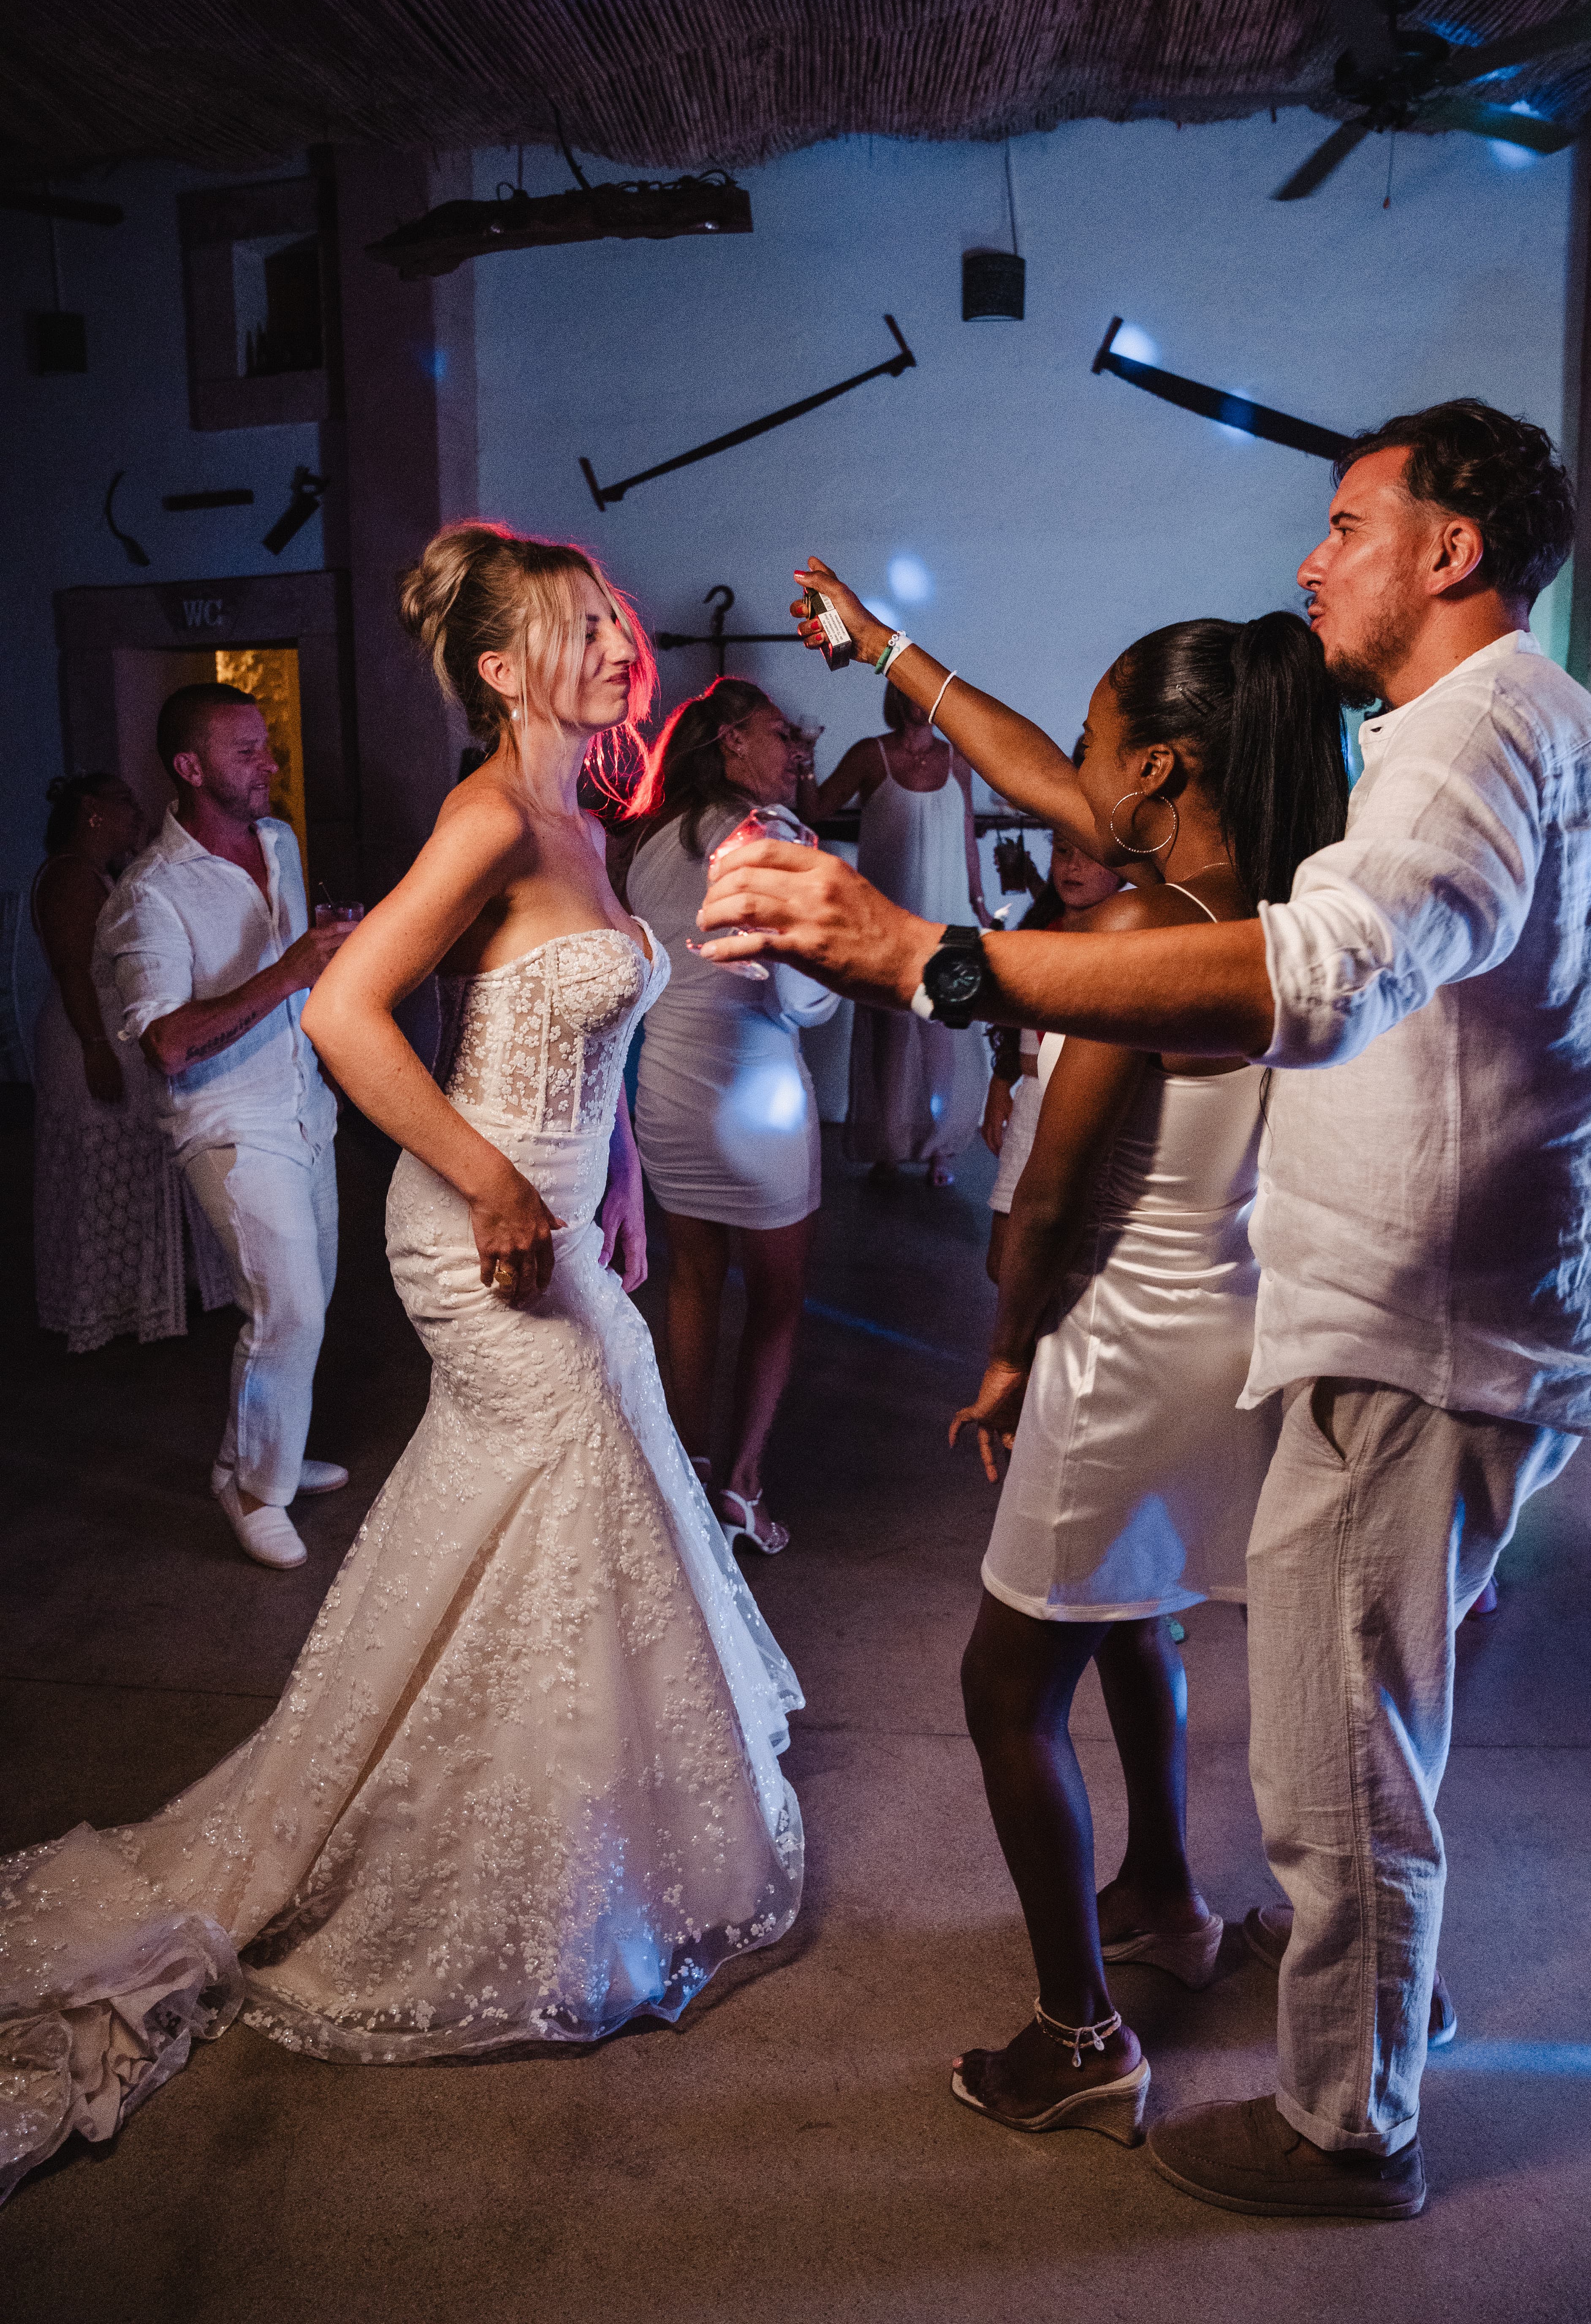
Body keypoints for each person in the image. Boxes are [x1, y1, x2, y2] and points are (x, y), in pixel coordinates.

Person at [699, 402, 1591, 2220]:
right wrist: (885, 651)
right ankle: (1353, 1989)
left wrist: (931, 957)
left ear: (1448, 550)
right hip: (1385, 1321)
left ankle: (1345, 2127)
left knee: (1335, 1758)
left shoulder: (1473, 736)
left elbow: (1327, 972)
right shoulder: (1455, 741)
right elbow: (1081, 794)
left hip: (1417, 1330)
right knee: (1340, 1729)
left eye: (1347, 524)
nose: (1310, 558)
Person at [0, 523, 803, 2204]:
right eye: (583, 630)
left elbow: (589, 1032)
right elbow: (350, 1010)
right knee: (572, 1480)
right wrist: (502, 1184)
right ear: (504, 670)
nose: (620, 648)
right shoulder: (492, 814)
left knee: (560, 1516)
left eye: (616, 625)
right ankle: (480, 1858)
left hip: (561, 1220)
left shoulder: (588, 816)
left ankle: (556, 1826)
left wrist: (617, 1184)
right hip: (474, 1230)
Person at [943, 616, 1345, 2140]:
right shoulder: (1280, 911)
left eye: (1098, 741)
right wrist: (894, 654)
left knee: (1002, 1685)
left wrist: (1004, 1350)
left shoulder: (1133, 930)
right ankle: (1167, 1896)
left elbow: (1051, 1193)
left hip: (1119, 1339)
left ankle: (1079, 2035)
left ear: (1162, 768)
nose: (1081, 766)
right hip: (1228, 1327)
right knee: (1129, 1616)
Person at [98, 686, 354, 1570]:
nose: (270, 764)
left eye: (266, 747)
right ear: (190, 768)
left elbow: (301, 983)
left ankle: (262, 1451)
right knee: (287, 1308)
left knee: (308, 1303)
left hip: (305, 1108)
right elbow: (167, 1045)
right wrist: (289, 971)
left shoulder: (278, 841)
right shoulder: (149, 895)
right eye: (247, 752)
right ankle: (251, 1489)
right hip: (231, 1126)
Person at [625, 678, 836, 1555]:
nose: (798, 752)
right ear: (731, 742)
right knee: (778, 1296)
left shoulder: (648, 838)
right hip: (758, 1101)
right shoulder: (772, 839)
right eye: (780, 735)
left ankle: (690, 1471)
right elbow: (803, 1000)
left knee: (692, 1283)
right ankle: (742, 1487)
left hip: (668, 1090)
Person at [30, 770, 225, 1352]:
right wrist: (96, 1048)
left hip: (110, 1033)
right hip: (86, 1037)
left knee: (132, 1165)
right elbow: (73, 969)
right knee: (102, 1169)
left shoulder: (103, 873)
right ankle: (106, 1303)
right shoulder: (71, 876)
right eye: (126, 804)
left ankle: (137, 1297)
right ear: (91, 810)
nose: (138, 813)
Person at [816, 678, 991, 1184]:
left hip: (949, 919)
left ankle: (941, 1148)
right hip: (888, 920)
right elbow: (816, 809)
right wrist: (803, 760)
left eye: (930, 692)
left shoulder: (958, 759)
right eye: (913, 691)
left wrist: (979, 901)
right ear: (897, 697)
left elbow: (967, 836)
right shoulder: (869, 755)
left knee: (944, 1036)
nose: (923, 701)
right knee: (889, 1038)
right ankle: (888, 1147)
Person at [982, 819, 1121, 1283]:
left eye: (1089, 856)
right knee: (1003, 1259)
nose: (1073, 866)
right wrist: (1001, 1083)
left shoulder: (1126, 936)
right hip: (1033, 1100)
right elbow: (1013, 1017)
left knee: (1064, 1256)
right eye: (1063, 851)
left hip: (1083, 1106)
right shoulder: (1043, 927)